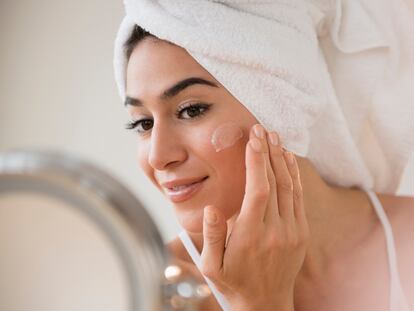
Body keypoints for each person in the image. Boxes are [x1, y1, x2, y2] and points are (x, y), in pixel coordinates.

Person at [119, 24, 414, 311]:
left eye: (191, 110)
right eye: (143, 123)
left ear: (279, 103)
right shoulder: (158, 291)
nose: (158, 157)